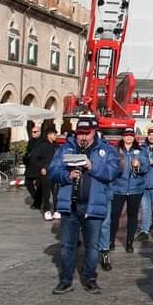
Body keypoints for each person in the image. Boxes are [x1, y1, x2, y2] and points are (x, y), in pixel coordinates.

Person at [50, 118, 119, 294]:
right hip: (70, 205)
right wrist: (67, 175)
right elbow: (52, 171)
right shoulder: (66, 148)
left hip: (93, 205)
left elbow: (112, 172)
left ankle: (90, 278)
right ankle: (66, 280)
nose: (83, 136)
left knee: (92, 246)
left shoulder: (106, 149)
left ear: (93, 132)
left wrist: (92, 166)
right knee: (67, 246)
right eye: (80, 133)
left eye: (86, 133)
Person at [31, 126, 60, 222]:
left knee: (56, 192)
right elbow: (34, 158)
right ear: (49, 135)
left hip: (55, 172)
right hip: (46, 173)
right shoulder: (42, 146)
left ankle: (56, 210)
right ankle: (47, 210)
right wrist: (41, 167)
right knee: (46, 193)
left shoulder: (57, 146)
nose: (56, 136)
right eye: (54, 134)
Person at [23, 124, 44, 213]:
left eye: (35, 132)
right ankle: (37, 199)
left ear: (40, 132)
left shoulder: (43, 141)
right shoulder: (31, 141)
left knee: (39, 186)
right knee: (28, 183)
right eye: (32, 132)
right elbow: (28, 151)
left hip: (38, 166)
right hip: (30, 166)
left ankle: (37, 202)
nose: (33, 133)